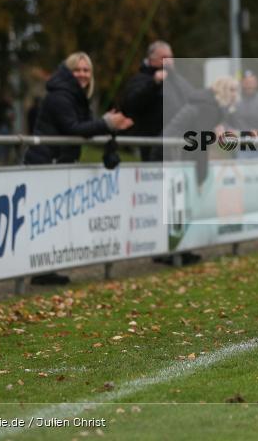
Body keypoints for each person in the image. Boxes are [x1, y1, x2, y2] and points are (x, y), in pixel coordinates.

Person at [24, 52, 133, 285]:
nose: (83, 74)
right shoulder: (60, 96)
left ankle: (47, 269)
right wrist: (106, 124)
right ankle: (40, 271)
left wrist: (107, 125)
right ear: (69, 71)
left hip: (60, 163)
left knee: (54, 219)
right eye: (78, 70)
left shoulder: (77, 97)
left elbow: (83, 127)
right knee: (44, 219)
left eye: (87, 70)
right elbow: (73, 128)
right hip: (46, 163)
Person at [119, 40, 174, 161]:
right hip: (151, 144)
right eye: (164, 58)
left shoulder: (177, 82)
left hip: (175, 144)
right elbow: (130, 104)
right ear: (151, 59)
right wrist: (154, 84)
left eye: (170, 57)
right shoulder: (140, 80)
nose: (168, 61)